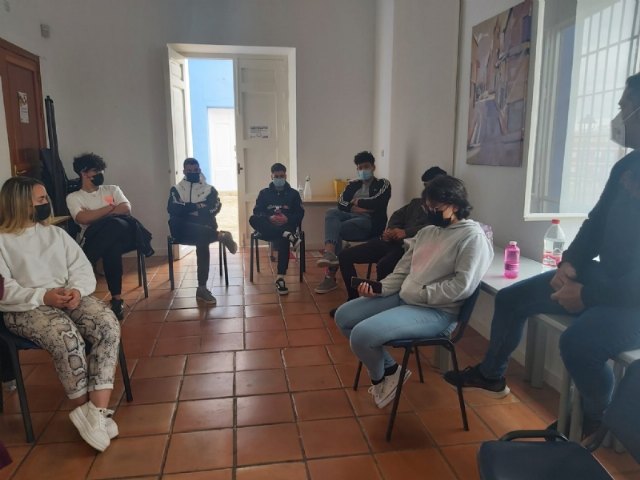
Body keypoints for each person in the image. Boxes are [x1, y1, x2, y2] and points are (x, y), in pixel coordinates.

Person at [445, 72, 640, 437]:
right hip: (605, 279)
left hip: (632, 302)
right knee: (511, 299)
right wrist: (570, 264)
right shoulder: (627, 167)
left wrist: (588, 294)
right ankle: (490, 375)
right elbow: (596, 223)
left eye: (625, 106)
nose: (618, 115)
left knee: (578, 345)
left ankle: (597, 417)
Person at [335, 175, 493, 408]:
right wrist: (380, 289)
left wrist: (419, 293)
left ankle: (381, 379)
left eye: (436, 207)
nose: (430, 212)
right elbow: (403, 270)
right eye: (427, 207)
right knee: (344, 316)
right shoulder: (427, 232)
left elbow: (462, 286)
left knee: (361, 335)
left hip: (437, 311)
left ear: (455, 205)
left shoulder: (472, 237)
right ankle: (391, 369)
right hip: (407, 297)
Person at [0, 176, 120, 452]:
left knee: (106, 324)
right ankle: (86, 413)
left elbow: (82, 269)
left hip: (66, 297)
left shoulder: (56, 234)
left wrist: (76, 290)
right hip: (25, 307)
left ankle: (96, 413)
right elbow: (4, 289)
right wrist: (43, 296)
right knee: (66, 337)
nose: (48, 203)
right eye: (41, 199)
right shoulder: (2, 241)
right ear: (20, 204)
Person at [332, 166, 447, 313]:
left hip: (408, 249)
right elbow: (397, 215)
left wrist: (405, 232)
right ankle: (353, 300)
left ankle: (379, 306)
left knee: (384, 265)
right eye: (425, 186)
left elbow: (433, 228)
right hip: (390, 242)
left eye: (431, 186)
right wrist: (391, 230)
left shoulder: (443, 211)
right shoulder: (416, 202)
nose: (427, 190)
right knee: (345, 256)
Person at [66, 153, 153, 320]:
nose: (100, 174)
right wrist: (110, 209)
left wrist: (96, 216)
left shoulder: (112, 189)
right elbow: (82, 218)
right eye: (96, 171)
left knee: (114, 225)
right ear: (83, 173)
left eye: (101, 170)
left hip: (125, 234)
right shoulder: (74, 197)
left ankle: (85, 262)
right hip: (99, 239)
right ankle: (116, 299)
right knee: (111, 247)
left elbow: (125, 209)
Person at [315, 151, 391, 294]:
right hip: (351, 216)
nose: (363, 170)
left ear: (373, 167)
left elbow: (378, 202)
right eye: (360, 168)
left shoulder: (383, 184)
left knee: (335, 229)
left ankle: (330, 277)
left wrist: (357, 202)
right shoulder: (352, 185)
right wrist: (359, 208)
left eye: (366, 167)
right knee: (331, 213)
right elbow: (340, 203)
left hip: (370, 223)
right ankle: (329, 253)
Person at [168, 158, 238, 305]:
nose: (192, 172)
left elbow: (214, 208)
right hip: (183, 231)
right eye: (189, 170)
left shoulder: (209, 189)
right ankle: (221, 236)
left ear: (199, 170)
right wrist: (198, 206)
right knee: (177, 222)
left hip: (204, 229)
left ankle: (202, 288)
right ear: (184, 171)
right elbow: (173, 209)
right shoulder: (176, 189)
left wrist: (188, 209)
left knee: (202, 237)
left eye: (195, 170)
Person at [249, 162, 305, 295]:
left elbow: (299, 214)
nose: (279, 179)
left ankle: (280, 277)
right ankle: (286, 234)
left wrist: (287, 218)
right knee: (253, 219)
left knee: (283, 237)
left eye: (282, 176)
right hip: (268, 227)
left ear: (285, 176)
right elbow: (257, 212)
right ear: (271, 177)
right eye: (276, 176)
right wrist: (269, 218)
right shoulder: (264, 193)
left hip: (286, 225)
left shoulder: (294, 194)